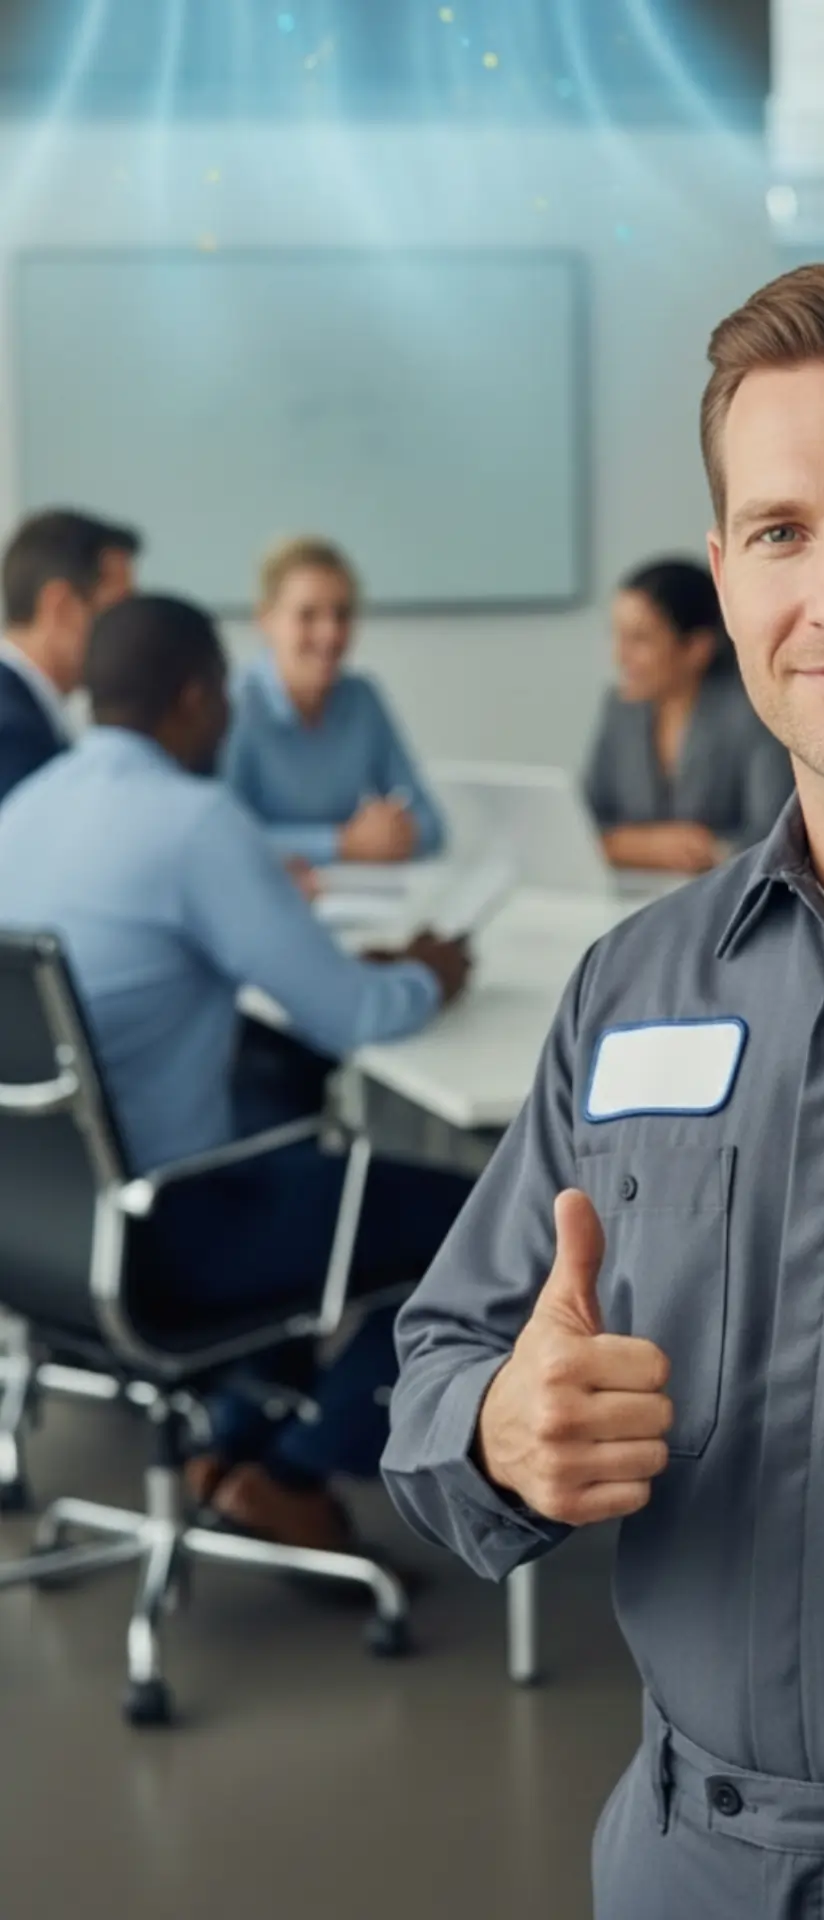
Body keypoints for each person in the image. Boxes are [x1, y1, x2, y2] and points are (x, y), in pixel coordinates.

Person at [383, 261, 824, 1919]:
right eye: (780, 533)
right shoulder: (640, 985)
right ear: (725, 573)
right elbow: (441, 1367)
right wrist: (501, 1429)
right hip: (684, 1856)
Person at [0, 593, 471, 1553]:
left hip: (33, 1236)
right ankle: (303, 1467)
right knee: (483, 1222)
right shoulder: (192, 821)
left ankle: (236, 1449)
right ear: (192, 697)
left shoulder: (20, 812)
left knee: (290, 1162)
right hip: (167, 1235)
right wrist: (429, 973)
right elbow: (349, 1016)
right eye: (221, 695)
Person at [223, 536, 445, 873]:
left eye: (342, 615)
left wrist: (396, 835)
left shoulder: (363, 699)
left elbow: (432, 825)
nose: (330, 634)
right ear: (266, 620)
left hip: (354, 899)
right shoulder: (235, 706)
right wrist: (340, 842)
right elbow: (224, 839)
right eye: (308, 615)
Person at [583, 556, 792, 874]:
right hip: (630, 896)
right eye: (618, 635)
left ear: (697, 647)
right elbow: (584, 824)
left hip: (727, 899)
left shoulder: (752, 713)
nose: (619, 656)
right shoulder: (620, 708)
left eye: (639, 639)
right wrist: (648, 846)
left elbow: (772, 838)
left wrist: (625, 844)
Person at [0, 508, 139, 805]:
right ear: (61, 607)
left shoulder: (27, 711)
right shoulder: (11, 731)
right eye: (118, 612)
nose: (131, 632)